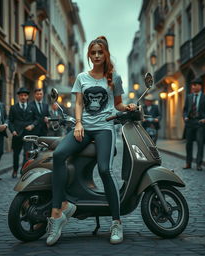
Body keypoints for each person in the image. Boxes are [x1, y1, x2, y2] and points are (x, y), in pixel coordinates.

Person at [45, 36, 136, 246]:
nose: (96, 56)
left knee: (104, 170)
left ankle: (116, 222)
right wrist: (78, 123)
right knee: (59, 154)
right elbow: (78, 103)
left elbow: (119, 104)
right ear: (89, 54)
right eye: (93, 52)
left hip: (105, 129)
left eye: (100, 52)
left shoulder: (114, 78)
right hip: (84, 128)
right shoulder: (82, 77)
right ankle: (57, 213)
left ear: (105, 54)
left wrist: (128, 107)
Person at [183, 78, 205, 171]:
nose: (193, 87)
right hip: (190, 123)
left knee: (200, 143)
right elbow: (185, 110)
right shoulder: (189, 97)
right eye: (192, 85)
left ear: (200, 86)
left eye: (195, 85)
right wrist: (185, 117)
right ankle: (188, 163)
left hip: (200, 123)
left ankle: (199, 164)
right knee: (188, 144)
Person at [8, 87, 38, 178]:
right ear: (18, 97)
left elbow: (36, 119)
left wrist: (32, 126)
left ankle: (23, 170)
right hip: (17, 134)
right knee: (16, 154)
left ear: (28, 96)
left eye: (25, 95)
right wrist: (12, 130)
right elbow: (10, 121)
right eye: (21, 95)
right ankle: (15, 170)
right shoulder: (13, 108)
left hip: (28, 135)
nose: (23, 97)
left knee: (27, 153)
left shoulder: (32, 107)